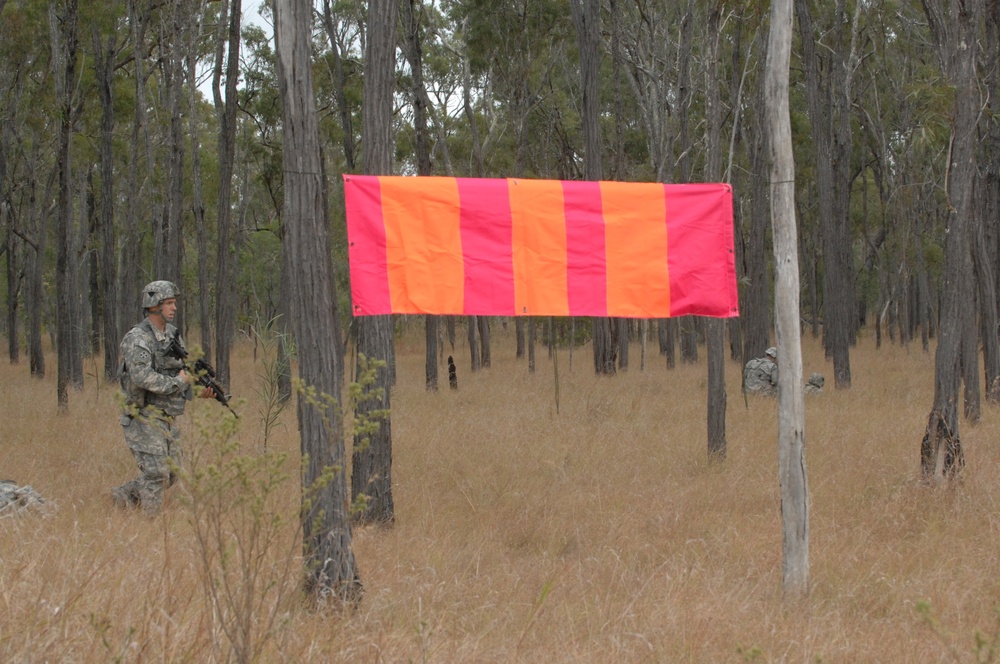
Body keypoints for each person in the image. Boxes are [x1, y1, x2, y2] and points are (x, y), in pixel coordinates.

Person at [111, 281, 214, 515]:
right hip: (142, 416)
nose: (174, 307)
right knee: (157, 473)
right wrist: (180, 381)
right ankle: (150, 525)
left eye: (174, 303)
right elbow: (142, 378)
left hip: (167, 417)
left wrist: (199, 390)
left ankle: (123, 495)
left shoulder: (172, 336)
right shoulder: (137, 338)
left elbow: (179, 373)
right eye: (168, 303)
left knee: (172, 473)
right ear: (153, 306)